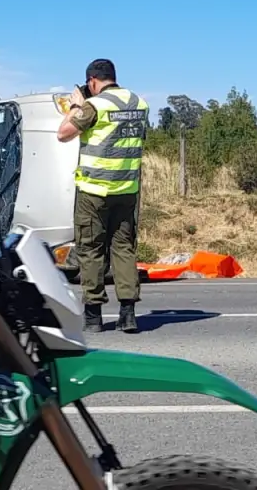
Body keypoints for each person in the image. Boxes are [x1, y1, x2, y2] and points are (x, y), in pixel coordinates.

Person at [56, 59, 149, 333]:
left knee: (91, 250)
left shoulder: (95, 106)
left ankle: (93, 315)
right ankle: (128, 313)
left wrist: (76, 105)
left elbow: (63, 133)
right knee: (124, 248)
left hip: (94, 191)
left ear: (92, 81)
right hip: (126, 190)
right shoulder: (139, 103)